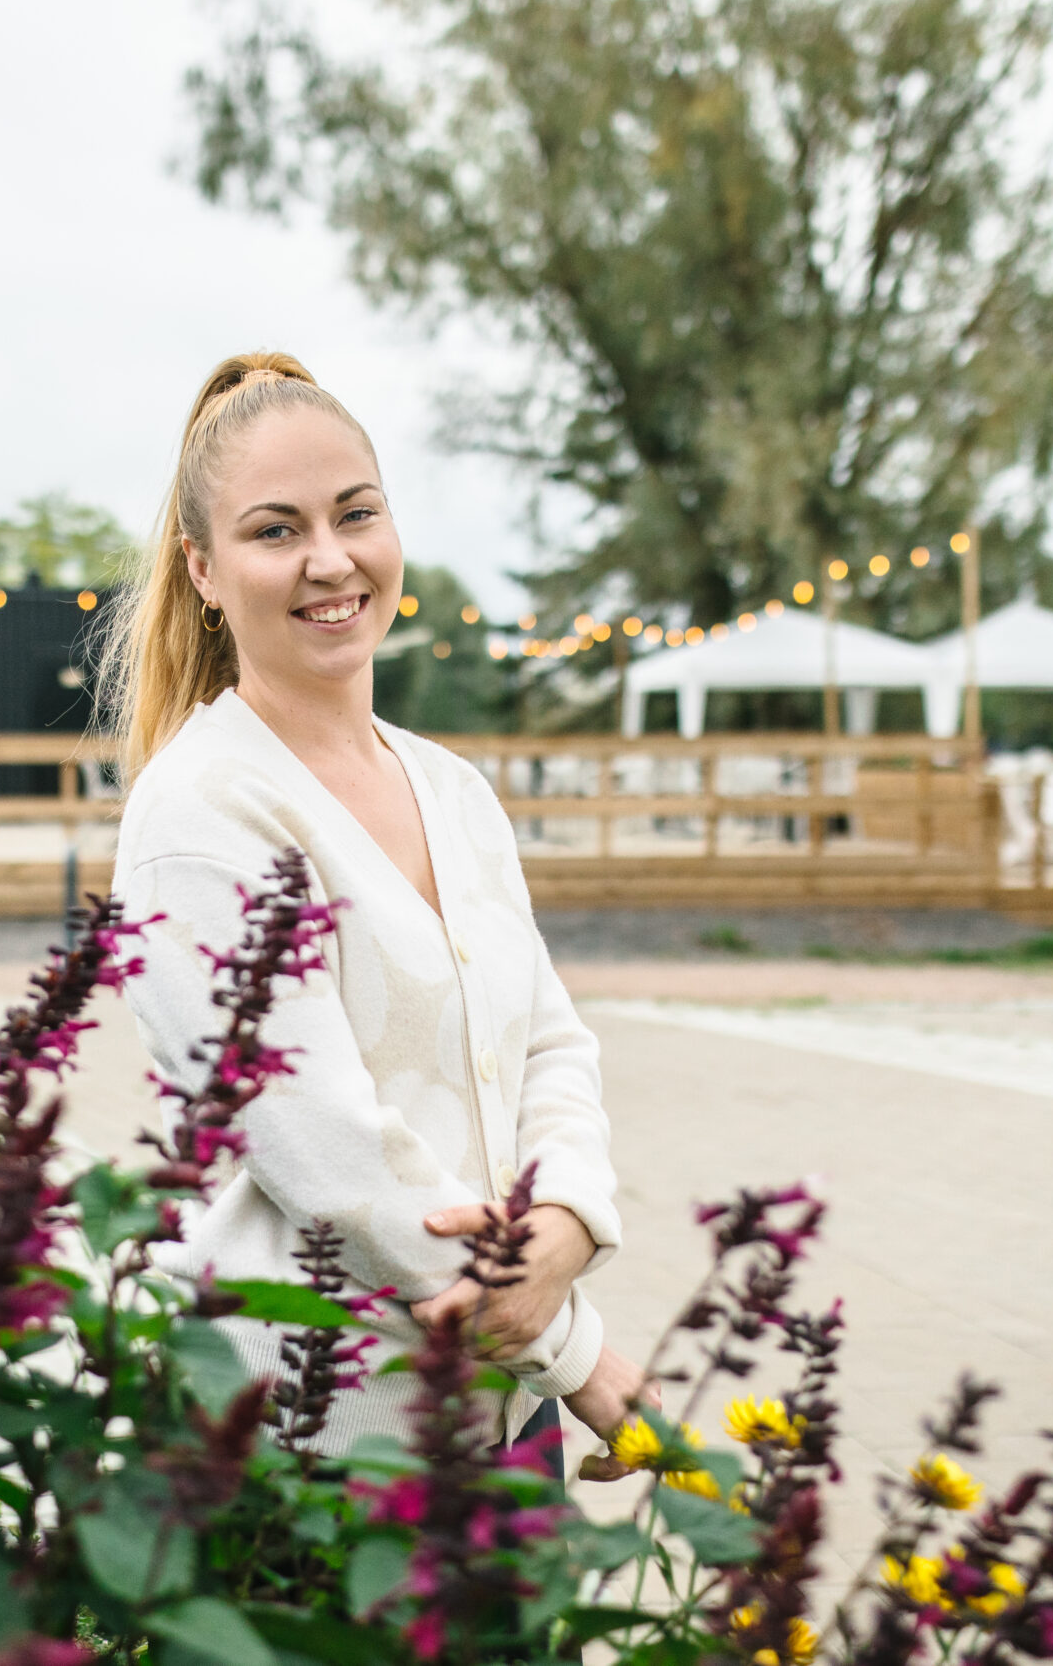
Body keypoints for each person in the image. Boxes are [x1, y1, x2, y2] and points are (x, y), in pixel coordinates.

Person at [103, 351, 652, 1473]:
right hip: (321, 1436)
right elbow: (325, 1151)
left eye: (356, 513)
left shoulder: (455, 791)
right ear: (203, 571)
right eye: (275, 531)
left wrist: (565, 1220)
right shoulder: (198, 815)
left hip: (506, 1416)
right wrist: (580, 1353)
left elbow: (549, 1043)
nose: (329, 560)